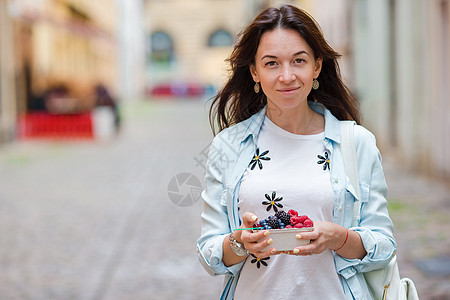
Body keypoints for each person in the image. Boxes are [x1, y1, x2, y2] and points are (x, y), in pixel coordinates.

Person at [197, 4, 396, 300]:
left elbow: (384, 248)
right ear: (254, 71)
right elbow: (209, 254)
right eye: (272, 63)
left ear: (316, 66)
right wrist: (239, 242)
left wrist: (338, 237)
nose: (287, 76)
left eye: (298, 61)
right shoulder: (228, 145)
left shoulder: (357, 143)